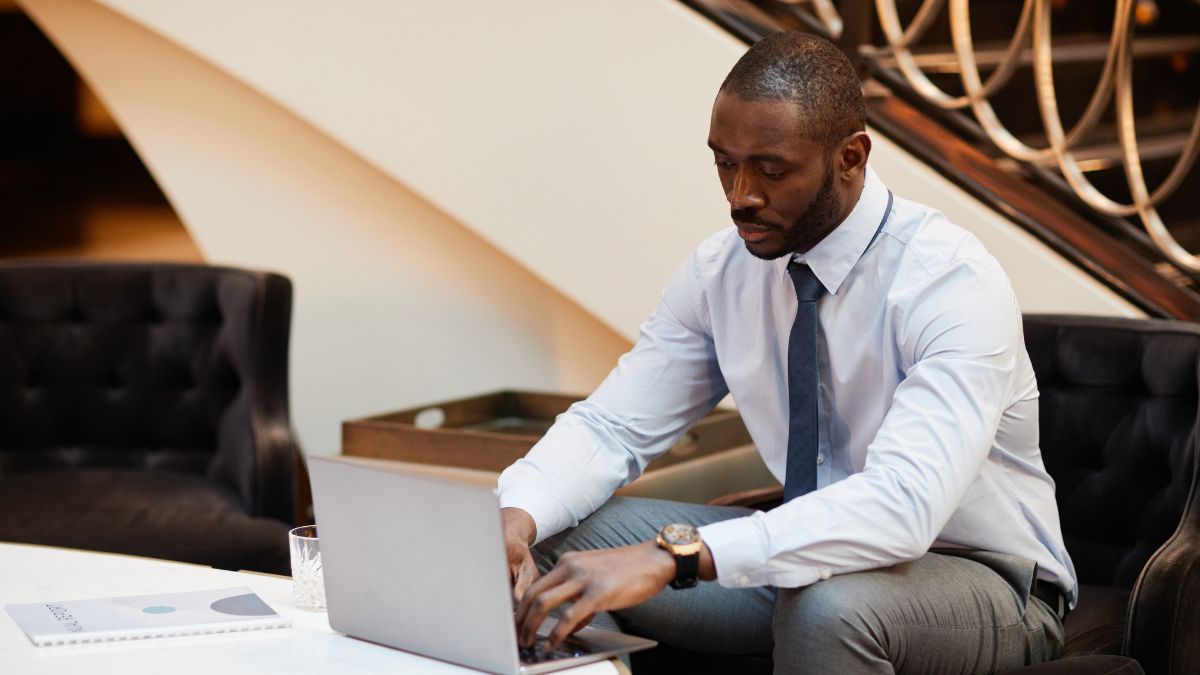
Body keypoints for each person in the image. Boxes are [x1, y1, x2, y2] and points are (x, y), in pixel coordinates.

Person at [498, 31, 1077, 673]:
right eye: (724, 163)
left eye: (771, 170)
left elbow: (905, 505)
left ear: (851, 157)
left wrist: (674, 554)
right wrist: (516, 515)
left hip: (982, 581)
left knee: (831, 607)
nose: (741, 194)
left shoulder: (950, 281)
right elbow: (612, 427)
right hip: (802, 561)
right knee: (556, 543)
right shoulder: (721, 272)